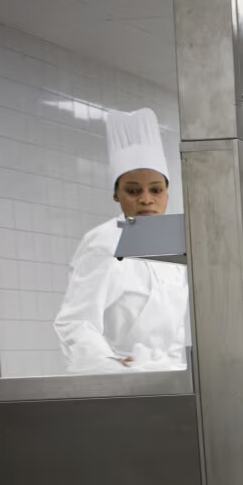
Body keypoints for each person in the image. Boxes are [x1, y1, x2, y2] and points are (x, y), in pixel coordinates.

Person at [54, 107, 189, 374]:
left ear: (167, 192)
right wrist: (112, 365)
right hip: (120, 381)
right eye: (133, 191)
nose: (146, 200)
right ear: (116, 194)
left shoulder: (170, 241)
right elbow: (76, 323)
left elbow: (177, 329)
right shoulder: (105, 241)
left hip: (169, 379)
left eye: (156, 190)